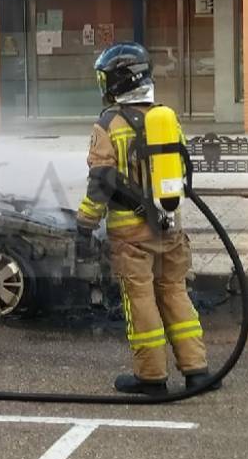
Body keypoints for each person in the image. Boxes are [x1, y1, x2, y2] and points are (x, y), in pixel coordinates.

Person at [74, 42, 215, 396]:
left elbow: (101, 181)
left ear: (117, 82)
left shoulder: (109, 124)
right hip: (171, 227)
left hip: (131, 233)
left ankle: (151, 377)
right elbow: (180, 169)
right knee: (175, 293)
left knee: (140, 299)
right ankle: (197, 370)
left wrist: (84, 224)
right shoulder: (165, 118)